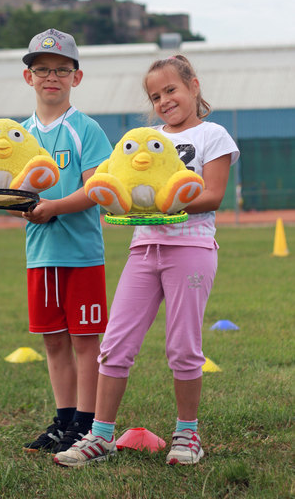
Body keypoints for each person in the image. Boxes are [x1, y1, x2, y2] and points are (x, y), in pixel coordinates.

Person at [54, 54, 240, 467]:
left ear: (194, 85)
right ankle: (100, 436)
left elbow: (212, 196)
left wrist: (166, 206)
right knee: (116, 343)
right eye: (155, 96)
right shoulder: (142, 139)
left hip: (191, 250)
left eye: (171, 89)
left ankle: (187, 435)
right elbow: (111, 183)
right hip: (144, 249)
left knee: (183, 347)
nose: (164, 101)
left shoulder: (214, 135)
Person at [20, 28, 113, 454]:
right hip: (40, 256)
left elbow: (96, 189)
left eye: (61, 69)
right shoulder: (18, 136)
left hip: (82, 256)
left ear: (77, 77)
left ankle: (87, 424)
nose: (51, 77)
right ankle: (63, 421)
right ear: (28, 77)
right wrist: (17, 206)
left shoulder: (85, 129)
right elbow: (16, 193)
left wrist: (53, 206)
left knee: (84, 341)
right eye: (42, 70)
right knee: (53, 340)